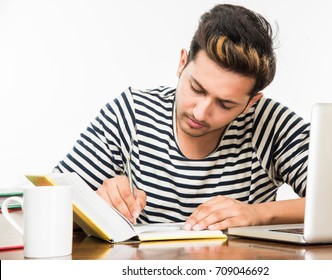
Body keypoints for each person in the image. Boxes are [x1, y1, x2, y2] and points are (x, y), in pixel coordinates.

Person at [55, 4, 309, 231]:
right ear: (182, 63)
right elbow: (46, 199)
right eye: (196, 89)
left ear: (250, 103)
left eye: (225, 104)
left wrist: (258, 214)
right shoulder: (132, 112)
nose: (200, 112)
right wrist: (92, 205)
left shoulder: (272, 124)